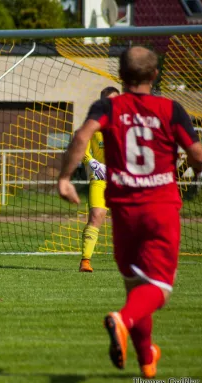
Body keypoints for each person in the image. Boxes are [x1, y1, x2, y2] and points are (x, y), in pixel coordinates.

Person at [57, 47, 202, 378]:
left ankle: (146, 360)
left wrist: (65, 178)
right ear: (155, 76)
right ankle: (121, 321)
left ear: (121, 77)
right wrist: (197, 167)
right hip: (160, 208)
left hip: (123, 211)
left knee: (137, 287)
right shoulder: (171, 109)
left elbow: (82, 135)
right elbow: (196, 154)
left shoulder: (108, 106)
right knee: (159, 289)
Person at [79, 86, 120, 273]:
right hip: (101, 179)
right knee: (96, 216)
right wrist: (92, 162)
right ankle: (85, 261)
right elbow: (82, 148)